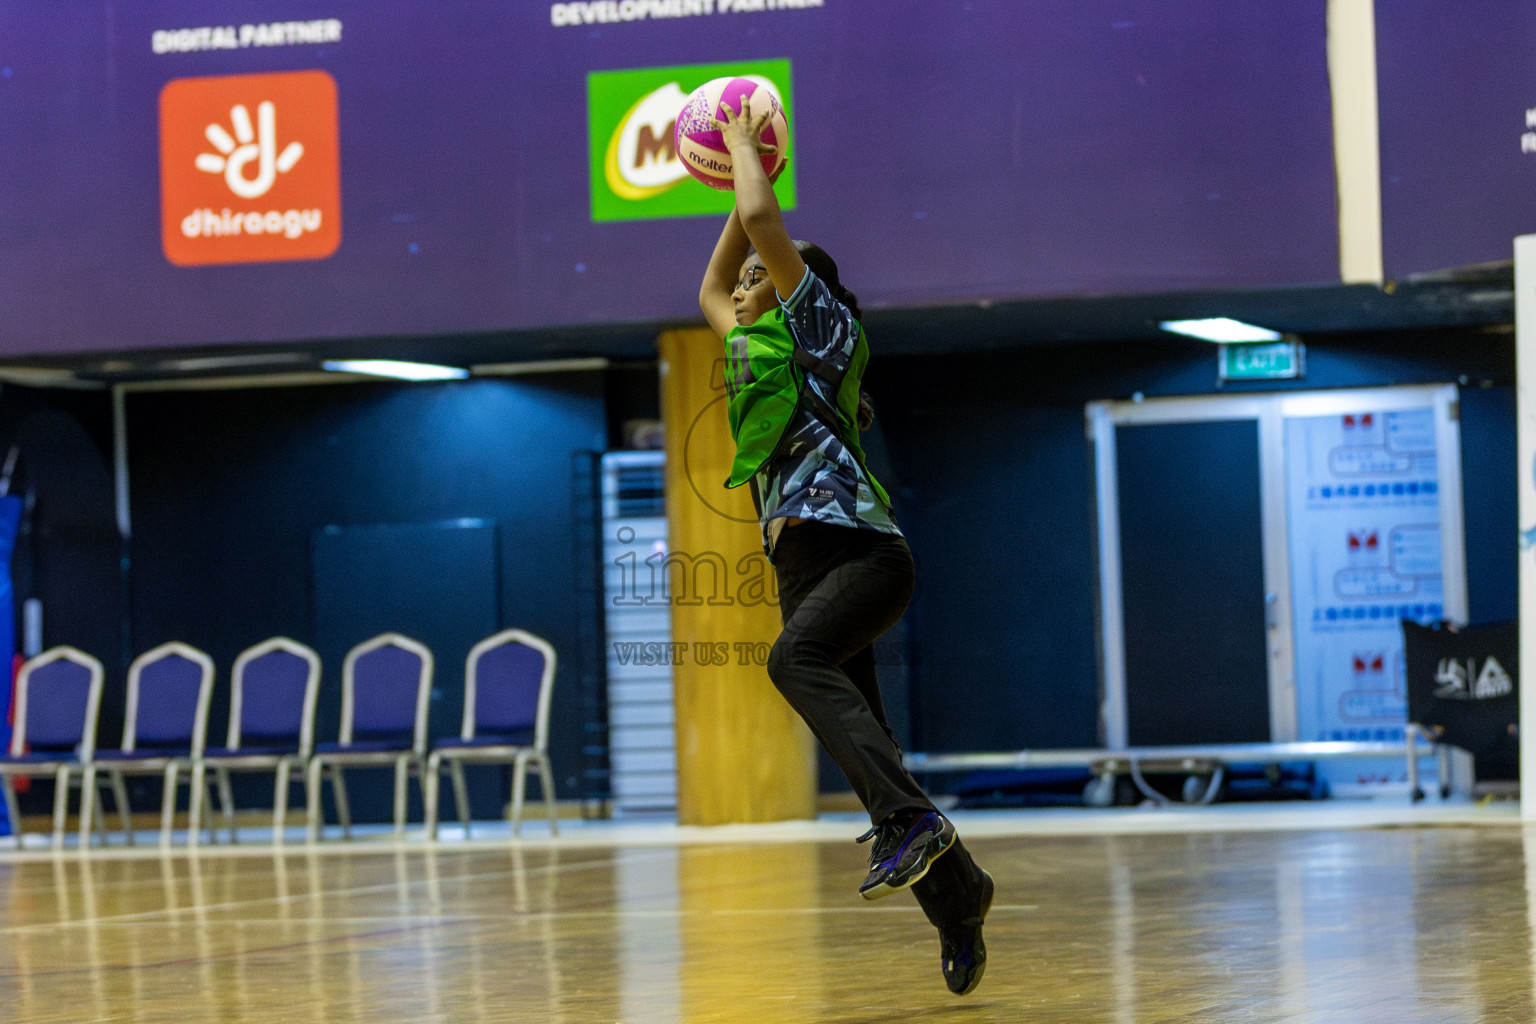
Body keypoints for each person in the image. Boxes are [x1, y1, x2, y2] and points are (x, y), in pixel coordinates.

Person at [696, 93, 994, 996]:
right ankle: (961, 897)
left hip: (863, 552)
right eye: (751, 275)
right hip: (800, 566)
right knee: (878, 759)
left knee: (794, 662)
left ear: (799, 288)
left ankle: (913, 831)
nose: (745, 281)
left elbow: (759, 220)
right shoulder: (747, 343)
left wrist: (746, 152)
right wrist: (730, 177)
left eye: (762, 274)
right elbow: (709, 287)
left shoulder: (822, 331)